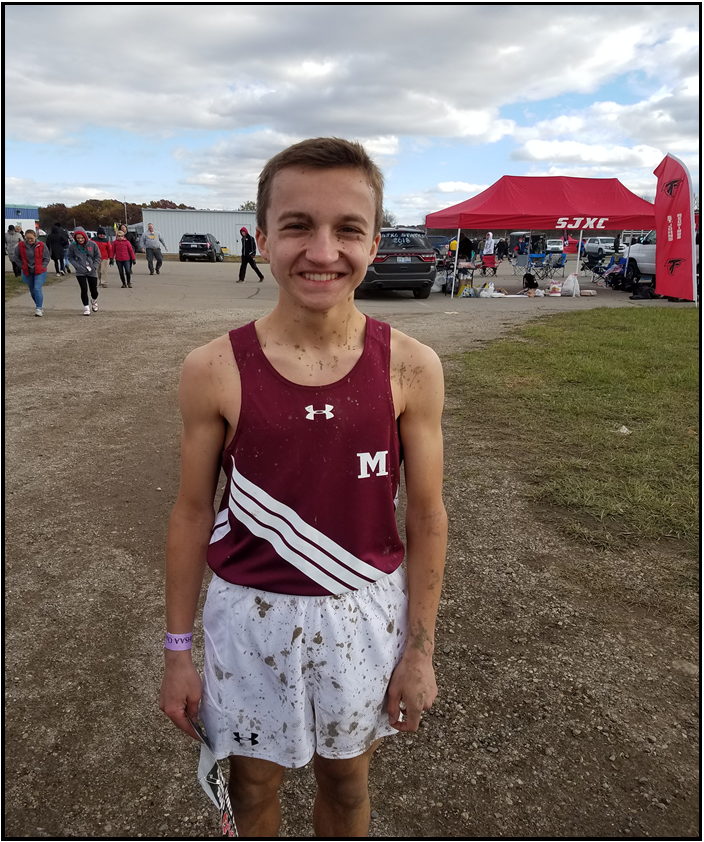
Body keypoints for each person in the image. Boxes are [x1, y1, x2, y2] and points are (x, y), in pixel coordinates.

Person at [159, 137, 447, 838]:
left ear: (374, 242)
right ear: (261, 236)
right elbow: (193, 512)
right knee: (254, 784)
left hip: (361, 612)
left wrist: (419, 652)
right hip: (248, 616)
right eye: (297, 226)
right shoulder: (212, 367)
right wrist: (176, 654)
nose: (323, 252)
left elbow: (428, 517)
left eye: (347, 229)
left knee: (347, 782)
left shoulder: (410, 366)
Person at [14, 228, 51, 316]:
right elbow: (16, 257)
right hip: (27, 270)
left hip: (40, 271)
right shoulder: (20, 246)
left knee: (37, 288)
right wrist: (22, 266)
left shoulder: (42, 245)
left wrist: (42, 267)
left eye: (31, 238)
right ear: (24, 238)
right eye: (27, 238)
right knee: (32, 290)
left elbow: (47, 258)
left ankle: (38, 308)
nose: (29, 240)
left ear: (35, 237)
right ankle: (39, 304)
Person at [67, 227, 101, 315]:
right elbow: (70, 257)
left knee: (94, 290)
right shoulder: (72, 246)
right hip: (80, 271)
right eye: (78, 238)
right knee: (84, 289)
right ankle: (86, 307)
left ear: (85, 236)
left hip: (91, 270)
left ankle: (94, 300)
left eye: (82, 238)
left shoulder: (92, 245)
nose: (80, 240)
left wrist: (94, 266)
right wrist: (77, 266)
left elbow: (98, 256)